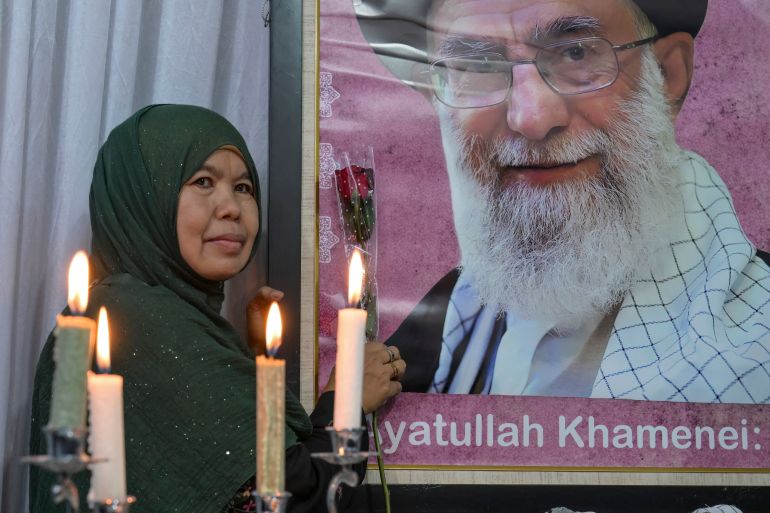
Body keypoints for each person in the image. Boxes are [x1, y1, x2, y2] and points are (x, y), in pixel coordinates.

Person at [356, 0, 770, 402]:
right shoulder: (439, 322)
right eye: (479, 67)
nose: (532, 118)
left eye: (576, 53)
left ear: (667, 75)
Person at [29, 104, 406, 513]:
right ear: (143, 196)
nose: (231, 207)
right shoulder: (126, 318)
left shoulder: (156, 316)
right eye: (203, 181)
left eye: (243, 188)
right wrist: (347, 399)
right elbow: (293, 496)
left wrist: (248, 359)